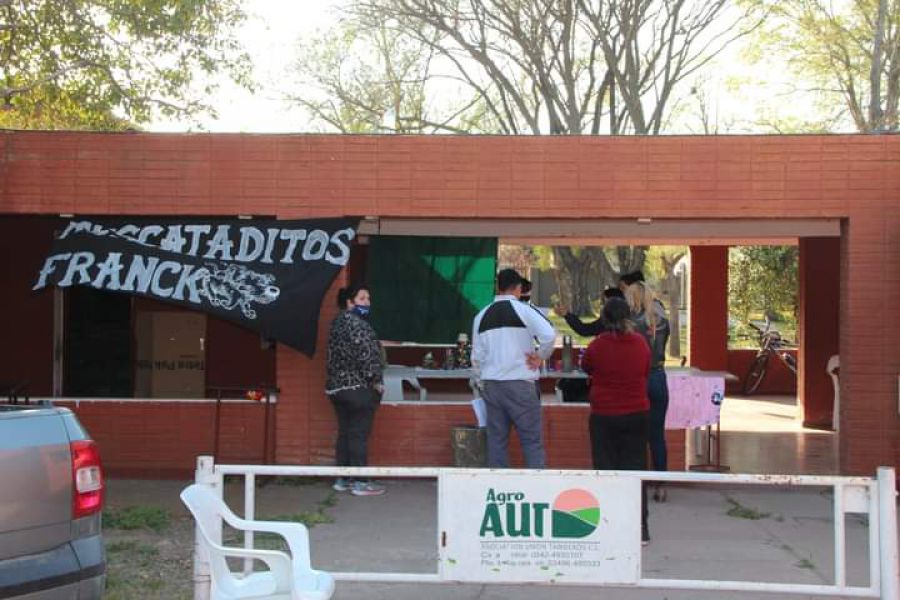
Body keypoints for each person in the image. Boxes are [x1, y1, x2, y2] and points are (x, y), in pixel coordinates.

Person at [581, 297, 651, 543]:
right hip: (636, 414)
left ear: (604, 318)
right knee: (636, 471)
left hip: (604, 416)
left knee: (605, 471)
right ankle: (640, 528)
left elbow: (586, 366)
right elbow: (645, 370)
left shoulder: (597, 346)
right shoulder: (641, 344)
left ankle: (609, 525)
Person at [472, 268, 556, 469]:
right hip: (520, 384)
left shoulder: (481, 316)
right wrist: (540, 356)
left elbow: (476, 357)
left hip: (492, 385)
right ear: (518, 288)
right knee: (531, 441)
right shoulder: (524, 310)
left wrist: (480, 381)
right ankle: (535, 489)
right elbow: (549, 335)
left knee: (496, 443)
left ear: (497, 287)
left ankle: (500, 489)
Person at [325, 284, 386, 497]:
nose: (367, 302)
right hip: (358, 388)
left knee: (345, 433)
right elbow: (368, 356)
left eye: (368, 298)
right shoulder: (359, 325)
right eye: (362, 299)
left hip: (336, 388)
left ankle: (343, 479)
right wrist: (376, 381)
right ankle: (360, 481)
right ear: (350, 302)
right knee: (359, 434)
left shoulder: (337, 323)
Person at [625, 280, 671, 501]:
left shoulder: (631, 323)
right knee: (657, 436)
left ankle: (637, 484)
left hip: (638, 379)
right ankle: (661, 486)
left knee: (636, 436)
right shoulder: (663, 321)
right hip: (659, 377)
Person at [554, 287, 625, 337]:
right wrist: (567, 315)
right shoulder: (605, 320)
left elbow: (584, 330)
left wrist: (567, 315)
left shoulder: (608, 322)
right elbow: (584, 329)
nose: (602, 305)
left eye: (604, 302)